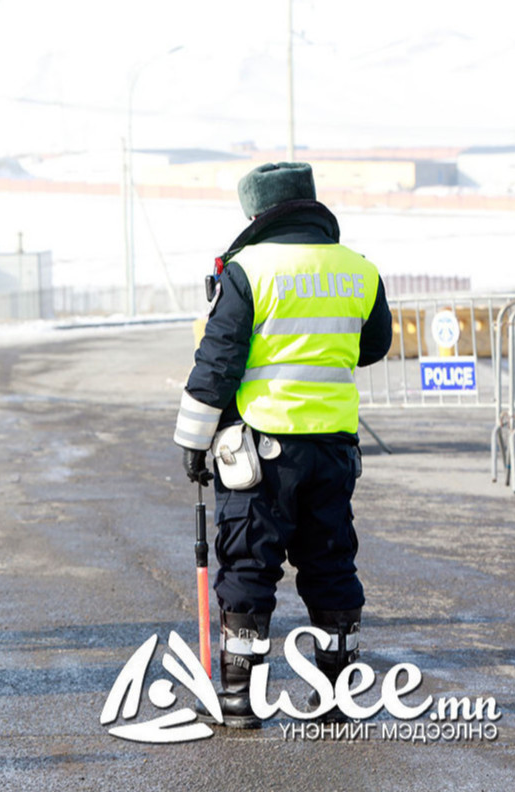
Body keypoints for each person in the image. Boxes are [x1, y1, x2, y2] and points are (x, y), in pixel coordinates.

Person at [173, 162, 392, 728]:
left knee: (249, 566)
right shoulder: (359, 271)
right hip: (334, 452)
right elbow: (373, 347)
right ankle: (339, 695)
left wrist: (194, 442)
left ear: (257, 214)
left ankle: (241, 700)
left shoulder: (248, 271)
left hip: (262, 452)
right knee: (330, 563)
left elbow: (217, 363)